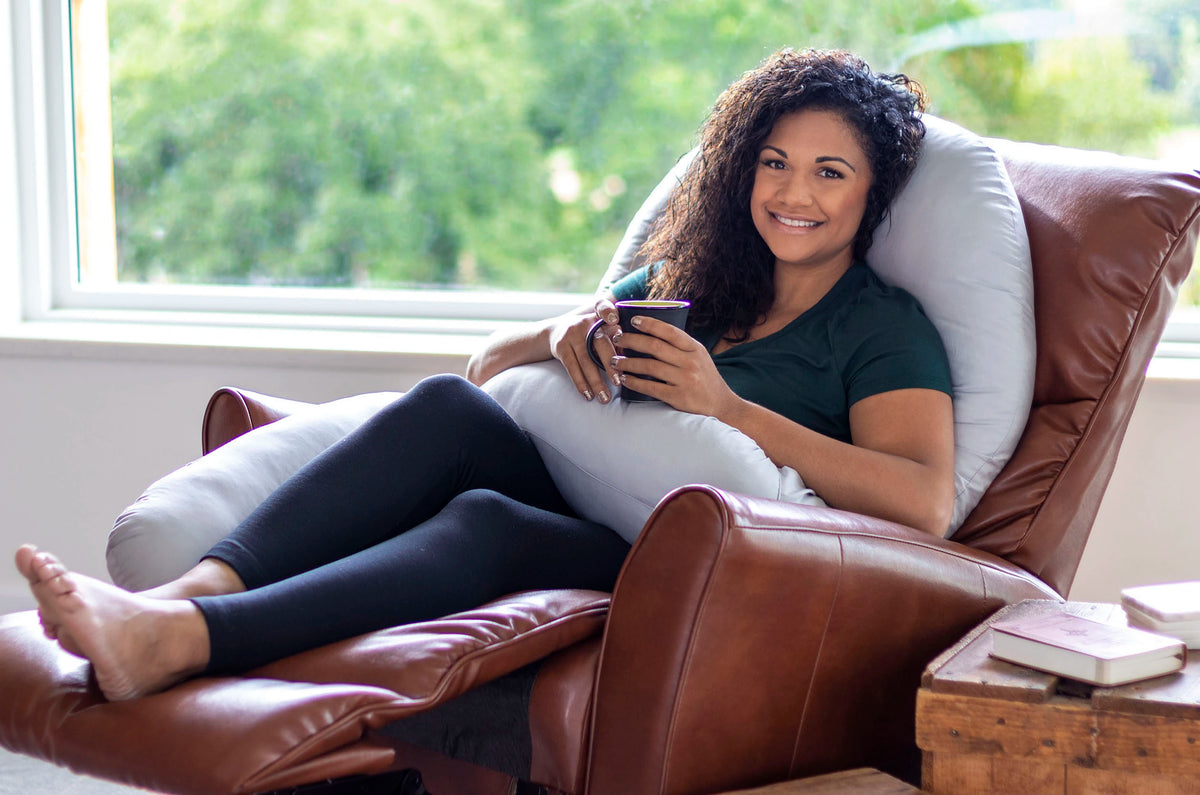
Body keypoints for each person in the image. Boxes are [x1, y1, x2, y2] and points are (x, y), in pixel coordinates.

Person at [15, 47, 954, 703]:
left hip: (685, 557)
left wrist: (729, 406)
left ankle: (181, 645)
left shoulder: (881, 327)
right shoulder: (689, 280)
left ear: (871, 194)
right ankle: (175, 603)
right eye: (775, 163)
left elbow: (923, 502)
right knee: (444, 409)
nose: (794, 194)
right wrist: (558, 332)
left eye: (831, 173)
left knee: (484, 525)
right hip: (578, 491)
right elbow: (484, 367)